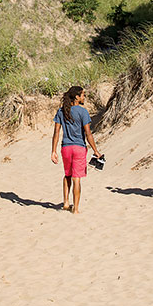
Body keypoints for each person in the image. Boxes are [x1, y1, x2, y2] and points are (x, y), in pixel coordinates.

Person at [50, 85, 102, 214]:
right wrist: (96, 150)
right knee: (76, 178)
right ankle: (76, 209)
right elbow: (88, 133)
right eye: (83, 95)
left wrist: (53, 151)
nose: (84, 97)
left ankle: (66, 203)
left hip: (66, 148)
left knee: (67, 175)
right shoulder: (83, 112)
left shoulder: (61, 111)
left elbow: (56, 132)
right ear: (77, 97)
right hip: (79, 148)